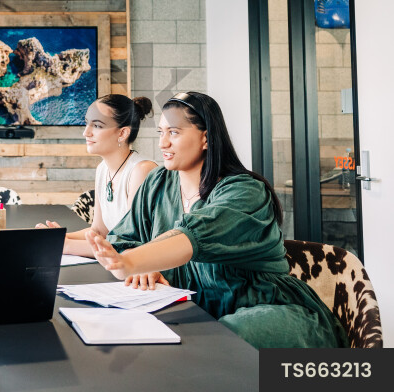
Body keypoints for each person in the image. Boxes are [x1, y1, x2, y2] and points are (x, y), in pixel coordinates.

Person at [86, 91, 348, 348]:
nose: (162, 144)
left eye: (174, 133)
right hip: (196, 313)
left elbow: (194, 235)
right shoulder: (157, 182)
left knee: (223, 343)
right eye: (160, 133)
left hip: (264, 311)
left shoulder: (245, 191)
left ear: (206, 138)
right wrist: (141, 264)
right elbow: (123, 238)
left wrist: (130, 261)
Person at [36, 95, 158, 256]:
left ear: (122, 133)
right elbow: (100, 231)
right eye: (87, 123)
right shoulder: (102, 169)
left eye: (97, 126)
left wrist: (64, 245)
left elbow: (129, 245)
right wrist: (59, 237)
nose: (86, 133)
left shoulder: (142, 171)